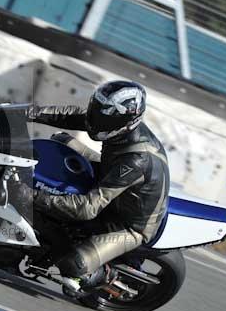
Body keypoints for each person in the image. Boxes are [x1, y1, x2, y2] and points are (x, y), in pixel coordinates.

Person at [15, 80, 170, 292]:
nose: (96, 120)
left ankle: (106, 274)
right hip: (111, 177)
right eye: (97, 110)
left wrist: (29, 195)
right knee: (62, 141)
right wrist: (25, 112)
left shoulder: (136, 159)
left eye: (104, 117)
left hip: (127, 225)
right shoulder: (112, 123)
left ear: (125, 121)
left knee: (73, 264)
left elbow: (88, 208)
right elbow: (68, 115)